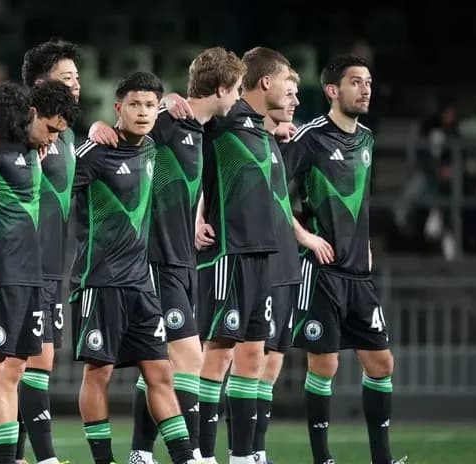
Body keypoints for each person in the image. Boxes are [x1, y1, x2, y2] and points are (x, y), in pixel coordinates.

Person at [120, 48, 245, 464]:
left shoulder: (202, 130)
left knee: (162, 361)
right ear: (222, 89)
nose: (238, 98)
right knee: (188, 356)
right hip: (156, 259)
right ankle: (190, 453)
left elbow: (185, 181)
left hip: (182, 259)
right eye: (237, 89)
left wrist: (193, 216)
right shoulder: (169, 118)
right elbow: (125, 135)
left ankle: (140, 451)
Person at [284, 54, 405, 464]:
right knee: (325, 365)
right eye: (356, 82)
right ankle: (323, 459)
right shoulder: (310, 137)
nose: (366, 88)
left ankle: (382, 460)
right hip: (321, 272)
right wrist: (306, 237)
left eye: (369, 81)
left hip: (358, 272)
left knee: (381, 362)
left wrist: (365, 242)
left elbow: (360, 199)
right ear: (333, 91)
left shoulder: (367, 139)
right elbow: (274, 193)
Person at [73, 71, 198, 464]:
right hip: (100, 282)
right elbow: (54, 186)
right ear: (117, 108)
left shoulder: (153, 148)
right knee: (99, 374)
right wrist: (91, 129)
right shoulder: (95, 152)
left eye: (149, 106)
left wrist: (175, 97)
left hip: (142, 285)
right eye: (134, 105)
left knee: (161, 374)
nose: (143, 113)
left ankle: (184, 458)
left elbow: (201, 113)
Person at [0, 80, 78, 464]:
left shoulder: (31, 152)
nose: (52, 139)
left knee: (13, 370)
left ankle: (5, 458)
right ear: (30, 115)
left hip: (30, 275)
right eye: (50, 129)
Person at [193, 47, 291, 464]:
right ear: (265, 81)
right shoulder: (223, 117)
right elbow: (187, 143)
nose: (292, 94)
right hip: (230, 252)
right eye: (289, 83)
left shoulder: (261, 128)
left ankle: (244, 455)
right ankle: (201, 453)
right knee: (218, 353)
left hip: (261, 255)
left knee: (253, 354)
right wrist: (198, 211)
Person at [14, 38, 82, 464]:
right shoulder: (20, 125)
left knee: (35, 359)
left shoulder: (68, 132)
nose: (76, 84)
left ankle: (18, 455)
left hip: (54, 261)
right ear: (41, 83)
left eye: (78, 76)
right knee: (28, 358)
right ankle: (44, 457)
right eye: (67, 77)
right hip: (22, 259)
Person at [247, 68, 302, 464]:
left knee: (275, 358)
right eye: (291, 91)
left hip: (286, 261)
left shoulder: (282, 142)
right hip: (259, 260)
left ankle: (257, 450)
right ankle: (241, 450)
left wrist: (302, 238)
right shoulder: (242, 136)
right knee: (249, 358)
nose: (295, 100)